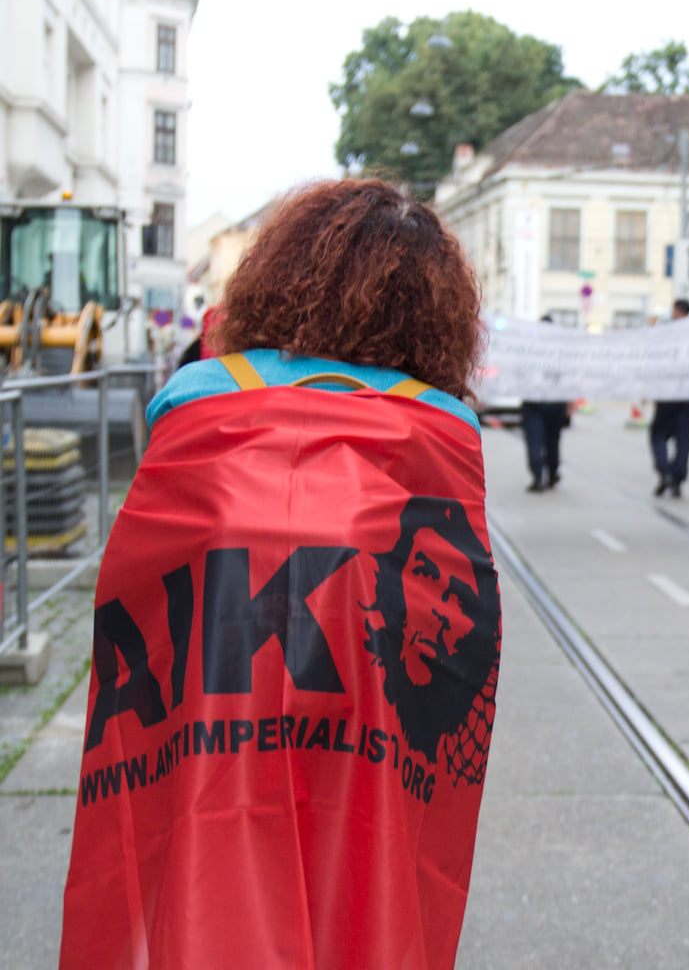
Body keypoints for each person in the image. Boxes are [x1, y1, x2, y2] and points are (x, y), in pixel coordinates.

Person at [59, 179, 502, 970]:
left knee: (204, 890)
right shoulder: (442, 434)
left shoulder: (195, 408)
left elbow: (139, 594)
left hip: (206, 719)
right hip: (366, 735)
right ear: (436, 316)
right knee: (363, 888)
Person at [650, 298, 689, 498]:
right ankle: (677, 478)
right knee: (684, 438)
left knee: (659, 435)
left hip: (668, 394)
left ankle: (664, 471)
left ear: (677, 311)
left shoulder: (667, 333)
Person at [521, 316, 570, 492]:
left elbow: (521, 373)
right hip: (555, 402)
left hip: (534, 401)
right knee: (552, 440)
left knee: (534, 439)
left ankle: (538, 476)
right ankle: (552, 474)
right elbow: (568, 377)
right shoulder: (561, 350)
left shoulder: (530, 349)